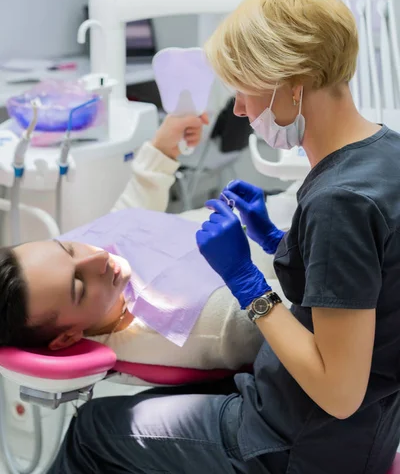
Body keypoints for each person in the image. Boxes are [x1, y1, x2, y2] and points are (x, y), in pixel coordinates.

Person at [32, 0, 400, 474]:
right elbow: (363, 284)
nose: (243, 110)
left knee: (93, 432)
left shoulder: (339, 201)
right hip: (358, 438)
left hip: (299, 453)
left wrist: (245, 279)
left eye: (245, 90)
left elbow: (339, 392)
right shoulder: (384, 154)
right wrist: (277, 241)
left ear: (291, 81)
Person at [0, 112, 277, 370]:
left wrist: (162, 148)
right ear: (67, 338)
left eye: (68, 247)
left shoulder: (97, 273)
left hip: (277, 214)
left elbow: (124, 218)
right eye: (79, 285)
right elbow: (303, 317)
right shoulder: (210, 324)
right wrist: (282, 248)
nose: (98, 256)